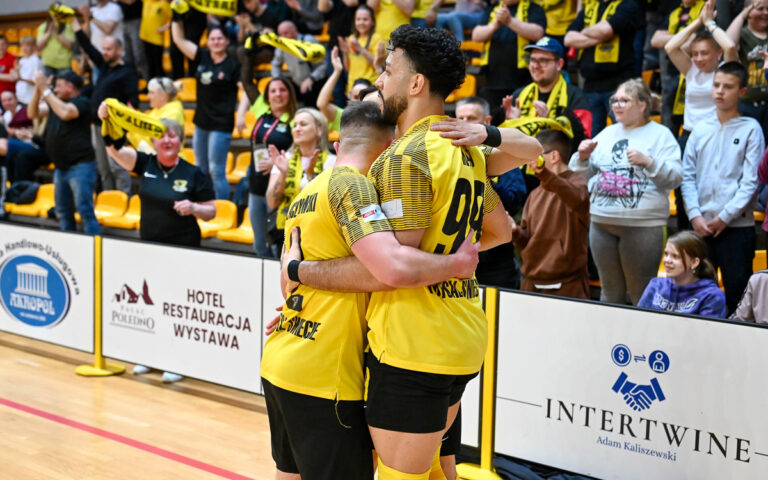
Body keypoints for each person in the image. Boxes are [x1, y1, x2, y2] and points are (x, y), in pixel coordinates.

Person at [281, 25, 541, 479]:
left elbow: (391, 269)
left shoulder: (405, 156)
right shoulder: (464, 152)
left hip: (413, 342)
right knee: (438, 468)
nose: (380, 80)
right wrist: (451, 261)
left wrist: (301, 273)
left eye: (388, 70)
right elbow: (501, 231)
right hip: (462, 333)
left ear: (416, 83)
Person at [261, 101, 481, 480]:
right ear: (389, 148)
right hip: (326, 373)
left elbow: (288, 282)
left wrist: (300, 274)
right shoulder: (355, 186)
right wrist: (453, 264)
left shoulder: (306, 192)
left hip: (282, 357)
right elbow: (389, 271)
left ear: (337, 144)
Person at [100, 110, 215, 384]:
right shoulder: (145, 163)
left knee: (177, 306)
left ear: (181, 141)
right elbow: (114, 150)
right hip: (149, 249)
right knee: (151, 303)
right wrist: (106, 121)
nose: (167, 140)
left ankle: (176, 361)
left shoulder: (193, 173)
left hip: (183, 249)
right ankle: (151, 356)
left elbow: (211, 211)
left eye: (173, 136)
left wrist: (194, 207)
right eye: (162, 136)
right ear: (153, 141)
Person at [570, 78, 682, 305]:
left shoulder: (660, 135)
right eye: (615, 100)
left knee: (641, 293)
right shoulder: (607, 133)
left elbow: (675, 178)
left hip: (642, 226)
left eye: (624, 100)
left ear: (642, 105)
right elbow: (579, 177)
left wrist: (649, 162)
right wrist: (581, 158)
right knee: (609, 294)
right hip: (601, 223)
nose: (617, 105)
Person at [681, 61, 765, 314]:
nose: (719, 91)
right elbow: (687, 176)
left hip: (736, 228)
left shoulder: (751, 128)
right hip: (700, 227)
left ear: (742, 91)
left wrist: (725, 217)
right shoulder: (699, 129)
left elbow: (751, 181)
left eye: (728, 87)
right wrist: (694, 215)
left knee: (739, 296)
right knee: (696, 297)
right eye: (716, 85)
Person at [456, 96, 527, 290]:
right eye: (460, 118)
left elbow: (515, 199)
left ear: (487, 121)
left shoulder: (500, 154)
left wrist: (481, 178)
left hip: (497, 257)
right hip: (457, 251)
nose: (464, 123)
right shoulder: (447, 154)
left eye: (471, 118)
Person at [513, 129, 590, 298]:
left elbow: (576, 197)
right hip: (531, 285)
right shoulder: (535, 194)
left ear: (554, 156)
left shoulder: (578, 183)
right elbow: (526, 242)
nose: (529, 162)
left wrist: (544, 173)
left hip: (569, 287)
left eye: (535, 156)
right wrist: (513, 231)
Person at [172, 22, 241, 200]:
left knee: (216, 170)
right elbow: (178, 40)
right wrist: (176, 18)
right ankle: (204, 204)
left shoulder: (233, 65)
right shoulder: (202, 56)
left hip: (221, 124)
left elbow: (246, 92)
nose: (216, 42)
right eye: (212, 39)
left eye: (220, 38)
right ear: (208, 42)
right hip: (201, 123)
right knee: (200, 169)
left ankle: (222, 207)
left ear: (226, 41)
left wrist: (241, 114)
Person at [27, 70, 100, 234]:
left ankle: (95, 247)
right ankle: (69, 245)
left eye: (59, 86)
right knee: (63, 212)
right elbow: (32, 113)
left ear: (70, 86)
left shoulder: (82, 102)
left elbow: (66, 113)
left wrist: (45, 89)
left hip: (81, 166)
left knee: (85, 211)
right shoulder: (56, 104)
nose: (55, 90)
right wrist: (38, 90)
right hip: (60, 168)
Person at [73, 16, 139, 194]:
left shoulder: (128, 72)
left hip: (115, 126)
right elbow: (88, 47)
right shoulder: (104, 66)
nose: (104, 52)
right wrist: (75, 24)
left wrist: (127, 122)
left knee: (117, 166)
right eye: (103, 49)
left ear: (119, 50)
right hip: (97, 124)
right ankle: (109, 201)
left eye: (108, 49)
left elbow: (133, 100)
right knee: (103, 168)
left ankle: (123, 198)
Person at [236, 76, 297, 256]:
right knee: (259, 245)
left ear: (290, 94)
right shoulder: (262, 111)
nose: (278, 94)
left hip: (279, 191)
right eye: (273, 91)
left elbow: (300, 149)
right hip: (256, 188)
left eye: (282, 90)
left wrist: (277, 162)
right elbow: (247, 81)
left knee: (278, 246)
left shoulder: (294, 120)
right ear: (267, 96)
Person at [665, 0, 738, 150]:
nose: (698, 58)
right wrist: (699, 21)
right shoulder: (691, 69)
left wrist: (710, 23)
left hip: (715, 136)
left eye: (704, 53)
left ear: (719, 53)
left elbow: (730, 47)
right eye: (695, 53)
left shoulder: (726, 70)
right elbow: (670, 47)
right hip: (688, 136)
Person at [564, 0, 644, 137]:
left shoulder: (627, 5)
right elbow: (568, 39)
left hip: (619, 85)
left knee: (625, 134)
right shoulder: (589, 8)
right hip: (590, 85)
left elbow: (606, 30)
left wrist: (583, 32)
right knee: (591, 137)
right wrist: (599, 37)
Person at [266, 107, 336, 254]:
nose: (297, 129)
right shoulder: (284, 159)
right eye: (295, 125)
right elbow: (272, 202)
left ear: (319, 130)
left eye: (303, 124)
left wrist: (311, 176)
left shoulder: (332, 162)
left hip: (318, 234)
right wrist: (283, 173)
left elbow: (329, 204)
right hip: (285, 232)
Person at [503, 36, 592, 146]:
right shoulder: (519, 96)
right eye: (532, 60)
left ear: (559, 64)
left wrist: (549, 123)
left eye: (543, 60)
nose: (536, 66)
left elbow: (583, 141)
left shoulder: (576, 97)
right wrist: (512, 124)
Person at [472, 0, 547, 111]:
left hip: (523, 80)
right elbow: (476, 35)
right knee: (493, 119)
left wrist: (510, 21)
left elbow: (538, 33)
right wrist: (494, 26)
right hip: (492, 80)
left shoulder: (533, 8)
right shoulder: (493, 10)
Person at [650, 0, 707, 136]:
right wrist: (683, 37)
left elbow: (691, 44)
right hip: (671, 73)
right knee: (668, 121)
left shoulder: (705, 9)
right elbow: (655, 40)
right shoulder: (675, 12)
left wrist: (672, 41)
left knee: (692, 124)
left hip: (695, 71)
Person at [638, 231, 727, 318]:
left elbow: (706, 327)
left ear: (694, 262)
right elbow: (639, 319)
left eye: (675, 256)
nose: (667, 260)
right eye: (666, 254)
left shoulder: (711, 296)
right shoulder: (656, 285)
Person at [726, 0, 768, 143]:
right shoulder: (742, 33)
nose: (765, 13)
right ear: (748, 11)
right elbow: (728, 44)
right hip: (747, 106)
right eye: (760, 9)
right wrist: (743, 14)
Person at [270, 20, 327, 107]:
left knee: (310, 96)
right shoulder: (282, 45)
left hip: (316, 80)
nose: (283, 37)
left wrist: (311, 78)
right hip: (297, 82)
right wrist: (277, 80)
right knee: (282, 93)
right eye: (280, 34)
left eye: (286, 33)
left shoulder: (308, 41)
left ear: (295, 31)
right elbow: (275, 64)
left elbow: (323, 65)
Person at [317, 46, 373, 134]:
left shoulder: (378, 121)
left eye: (363, 97)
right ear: (349, 99)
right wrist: (337, 71)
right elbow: (322, 104)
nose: (359, 101)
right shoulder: (342, 117)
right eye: (355, 97)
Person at [126, 77, 185, 153]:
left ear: (163, 96)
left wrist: (132, 121)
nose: (148, 96)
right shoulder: (157, 109)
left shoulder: (174, 114)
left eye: (151, 93)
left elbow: (153, 142)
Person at [341, 5, 386, 94]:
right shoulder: (351, 38)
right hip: (352, 86)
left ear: (373, 22)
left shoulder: (377, 38)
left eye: (365, 19)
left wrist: (360, 49)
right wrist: (345, 53)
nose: (361, 22)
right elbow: (347, 68)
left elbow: (377, 64)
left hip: (371, 86)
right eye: (358, 19)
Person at [79, 0, 124, 82]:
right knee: (99, 86)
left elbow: (108, 29)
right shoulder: (92, 10)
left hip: (114, 58)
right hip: (97, 58)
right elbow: (85, 35)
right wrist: (86, 18)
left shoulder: (114, 8)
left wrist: (91, 17)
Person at [37, 8, 76, 77]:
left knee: (64, 83)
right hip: (48, 63)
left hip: (64, 64)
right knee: (49, 83)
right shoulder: (43, 26)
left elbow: (70, 45)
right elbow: (39, 46)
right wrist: (48, 33)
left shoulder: (68, 26)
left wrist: (57, 33)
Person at [139, 0, 171, 80]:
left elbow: (174, 18)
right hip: (145, 37)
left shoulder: (164, 4)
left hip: (157, 40)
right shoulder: (147, 1)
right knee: (149, 63)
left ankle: (161, 82)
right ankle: (150, 83)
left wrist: (164, 28)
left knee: (157, 64)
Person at [14, 36, 44, 106]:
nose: (24, 48)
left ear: (34, 47)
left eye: (27, 45)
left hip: (30, 97)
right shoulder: (22, 60)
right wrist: (17, 71)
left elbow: (36, 81)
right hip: (20, 95)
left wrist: (21, 79)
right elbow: (19, 78)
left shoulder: (36, 60)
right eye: (22, 45)